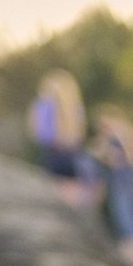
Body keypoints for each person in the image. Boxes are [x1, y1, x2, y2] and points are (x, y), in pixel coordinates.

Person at [27, 72, 99, 211]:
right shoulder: (77, 107)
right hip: (73, 156)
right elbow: (79, 136)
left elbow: (39, 134)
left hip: (53, 156)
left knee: (57, 202)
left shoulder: (43, 106)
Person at [91, 106, 133, 263]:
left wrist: (106, 153)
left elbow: (114, 157)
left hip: (125, 176)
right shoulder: (123, 134)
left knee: (124, 207)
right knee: (125, 207)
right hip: (126, 176)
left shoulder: (119, 134)